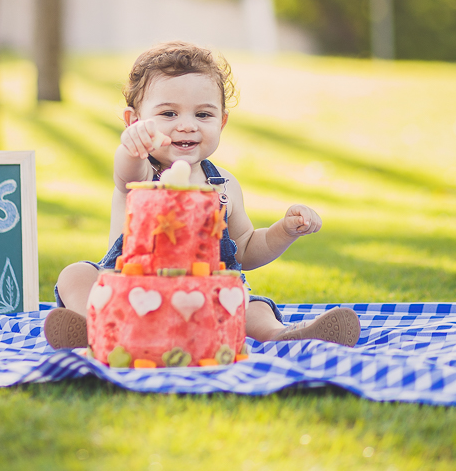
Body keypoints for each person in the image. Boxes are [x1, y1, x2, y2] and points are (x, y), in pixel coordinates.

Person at [43, 41, 359, 349]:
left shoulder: (223, 185)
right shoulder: (142, 172)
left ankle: (283, 334)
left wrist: (285, 231)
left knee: (247, 302)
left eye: (203, 115)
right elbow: (126, 176)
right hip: (130, 295)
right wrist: (133, 145)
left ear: (221, 121)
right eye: (168, 114)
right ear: (135, 121)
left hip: (208, 302)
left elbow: (246, 249)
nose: (187, 126)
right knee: (76, 274)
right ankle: (94, 326)